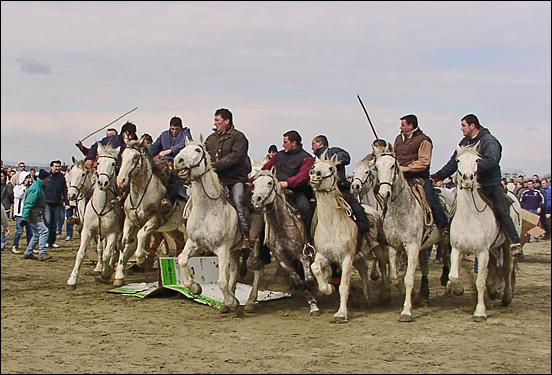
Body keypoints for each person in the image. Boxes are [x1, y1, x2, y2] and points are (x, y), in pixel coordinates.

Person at [431, 113, 522, 258]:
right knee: (453, 208)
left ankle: (514, 242)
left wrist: (471, 168)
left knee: (501, 209)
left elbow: (492, 160)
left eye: (463, 125)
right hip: (469, 186)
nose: (461, 129)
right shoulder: (464, 143)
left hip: (489, 184)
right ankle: (451, 236)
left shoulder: (489, 141)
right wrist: (437, 176)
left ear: (472, 126)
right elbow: (453, 164)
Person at [311, 135, 377, 248]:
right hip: (323, 194)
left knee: (357, 209)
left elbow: (346, 158)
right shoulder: (315, 161)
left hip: (341, 191)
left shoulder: (334, 151)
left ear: (320, 143)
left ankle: (367, 236)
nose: (312, 147)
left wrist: (333, 161)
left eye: (313, 144)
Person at [204, 108, 251, 249]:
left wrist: (214, 166)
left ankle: (246, 236)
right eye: (215, 120)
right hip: (216, 180)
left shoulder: (239, 138)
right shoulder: (211, 138)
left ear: (227, 121)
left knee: (239, 202)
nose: (215, 123)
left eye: (218, 120)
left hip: (235, 179)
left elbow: (235, 157)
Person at [394, 114, 448, 234]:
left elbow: (424, 162)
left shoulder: (424, 140)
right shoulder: (398, 138)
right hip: (400, 178)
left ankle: (443, 228)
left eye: (403, 125)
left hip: (418, 177)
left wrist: (407, 168)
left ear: (411, 125)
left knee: (431, 199)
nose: (400, 127)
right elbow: (394, 155)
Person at [262, 130, 314, 244]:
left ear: (294, 143)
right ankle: (262, 249)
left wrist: (287, 183)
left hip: (296, 193)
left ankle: (310, 242)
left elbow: (303, 176)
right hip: (275, 191)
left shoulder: (307, 158)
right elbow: (266, 169)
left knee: (306, 210)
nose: (283, 144)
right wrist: (253, 181)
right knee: (260, 211)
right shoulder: (278, 155)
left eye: (285, 142)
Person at [150, 116, 193, 211]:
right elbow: (155, 147)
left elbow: (182, 145)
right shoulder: (164, 135)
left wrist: (169, 151)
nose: (174, 131)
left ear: (181, 127)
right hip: (163, 163)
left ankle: (168, 199)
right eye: (172, 129)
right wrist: (146, 154)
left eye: (176, 129)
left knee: (173, 176)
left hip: (179, 163)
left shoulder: (186, 134)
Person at [19, 169, 53, 261]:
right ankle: (42, 252)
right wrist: (24, 218)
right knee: (44, 231)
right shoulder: (36, 189)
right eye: (47, 178)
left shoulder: (38, 187)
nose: (49, 180)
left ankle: (28, 252)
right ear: (43, 179)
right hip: (34, 214)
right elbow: (28, 204)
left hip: (34, 214)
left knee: (36, 234)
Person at [43, 160, 68, 249]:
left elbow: (64, 190)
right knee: (47, 223)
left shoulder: (62, 177)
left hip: (57, 203)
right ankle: (45, 241)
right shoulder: (47, 176)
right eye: (56, 166)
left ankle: (52, 242)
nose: (57, 168)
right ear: (51, 167)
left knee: (54, 224)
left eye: (59, 166)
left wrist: (66, 201)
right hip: (47, 203)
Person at [11, 171, 33, 253]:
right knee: (19, 231)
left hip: (28, 213)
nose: (28, 179)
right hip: (19, 213)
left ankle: (30, 247)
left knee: (30, 231)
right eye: (26, 178)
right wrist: (24, 187)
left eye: (29, 177)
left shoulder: (30, 188)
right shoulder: (17, 187)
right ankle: (14, 246)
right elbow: (18, 196)